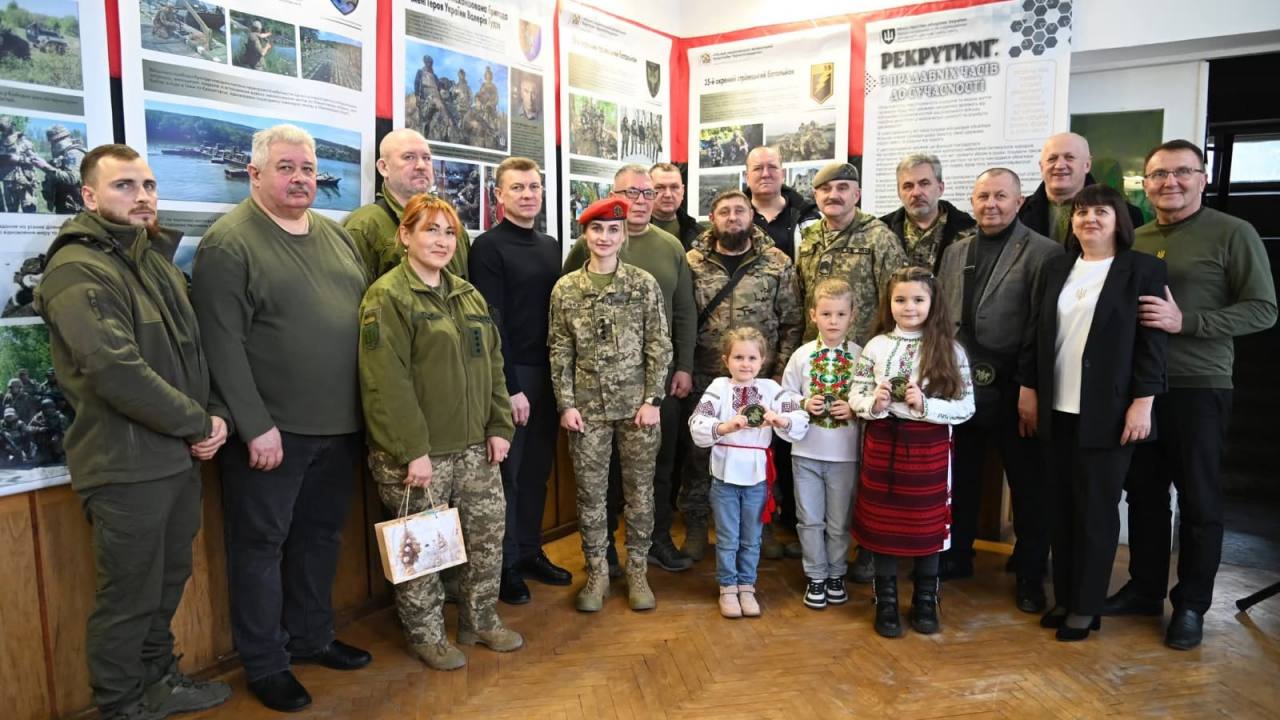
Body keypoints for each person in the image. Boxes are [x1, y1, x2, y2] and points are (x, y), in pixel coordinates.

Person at [32, 143, 231, 720]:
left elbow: (190, 353)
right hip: (124, 466)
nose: (142, 196)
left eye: (147, 185)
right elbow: (116, 372)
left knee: (165, 584)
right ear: (89, 196)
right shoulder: (77, 269)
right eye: (124, 186)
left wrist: (213, 419)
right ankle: (121, 705)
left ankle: (158, 683)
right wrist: (198, 421)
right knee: (127, 598)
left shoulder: (149, 259)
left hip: (174, 458)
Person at [191, 125, 371, 713]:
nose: (300, 179)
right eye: (287, 168)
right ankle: (267, 664)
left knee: (320, 539)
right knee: (260, 548)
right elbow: (221, 345)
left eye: (308, 169)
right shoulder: (229, 243)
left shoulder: (335, 236)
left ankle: (312, 637)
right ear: (255, 174)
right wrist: (253, 424)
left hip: (340, 427)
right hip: (273, 433)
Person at [1104, 140, 1277, 650]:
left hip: (1199, 387)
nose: (1169, 183)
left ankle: (1192, 605)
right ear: (1146, 185)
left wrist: (1188, 322)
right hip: (1141, 391)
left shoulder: (1233, 232)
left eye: (1182, 172)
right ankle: (1144, 589)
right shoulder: (1135, 238)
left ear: (1202, 178)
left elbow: (1264, 309)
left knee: (1200, 501)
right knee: (1145, 497)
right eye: (1157, 175)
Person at [359, 193, 521, 670]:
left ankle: (480, 620)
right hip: (418, 455)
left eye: (449, 232)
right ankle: (426, 635)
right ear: (405, 236)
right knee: (423, 554)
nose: (442, 240)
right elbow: (384, 381)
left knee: (488, 539)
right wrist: (413, 451)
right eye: (430, 229)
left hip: (476, 447)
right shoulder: (388, 296)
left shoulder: (467, 294)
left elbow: (492, 366)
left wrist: (499, 425)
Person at [1017, 184, 1169, 641]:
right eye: (1081, 213)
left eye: (1101, 212)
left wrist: (1143, 403)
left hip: (1109, 413)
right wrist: (1027, 388)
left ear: (1118, 220)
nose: (1089, 220)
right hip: (1056, 407)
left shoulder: (1142, 269)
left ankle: (1086, 606)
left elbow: (1152, 345)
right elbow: (1035, 332)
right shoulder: (1057, 266)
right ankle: (1064, 596)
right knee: (1059, 506)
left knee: (1096, 511)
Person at [936, 168, 1062, 612]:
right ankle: (958, 555)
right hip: (961, 384)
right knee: (963, 476)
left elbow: (1041, 326)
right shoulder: (955, 252)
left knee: (1029, 483)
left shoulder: (1045, 253)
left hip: (1015, 385)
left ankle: (1029, 571)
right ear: (972, 201)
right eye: (983, 196)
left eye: (1001, 196)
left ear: (1019, 200)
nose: (991, 204)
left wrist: (1030, 385)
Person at [563, 165, 697, 576]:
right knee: (603, 477)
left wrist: (684, 366)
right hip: (597, 391)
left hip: (655, 385)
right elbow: (567, 317)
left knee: (657, 469)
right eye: (631, 192)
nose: (640, 200)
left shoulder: (670, 245)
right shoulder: (586, 246)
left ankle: (655, 541)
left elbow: (683, 311)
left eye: (646, 192)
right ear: (615, 196)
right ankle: (605, 554)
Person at [549, 197, 673, 612]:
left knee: (640, 494)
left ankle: (637, 569)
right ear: (585, 235)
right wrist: (565, 404)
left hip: (639, 408)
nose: (605, 237)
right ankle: (598, 571)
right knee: (590, 495)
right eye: (597, 230)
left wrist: (654, 398)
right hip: (587, 409)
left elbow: (659, 344)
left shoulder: (642, 284)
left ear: (623, 236)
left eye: (613, 230)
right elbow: (560, 349)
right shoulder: (566, 289)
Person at [851, 266, 975, 637]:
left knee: (927, 526)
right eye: (900, 300)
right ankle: (885, 600)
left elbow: (966, 406)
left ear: (933, 303)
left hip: (928, 446)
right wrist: (874, 401)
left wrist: (926, 406)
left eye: (918, 299)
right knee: (883, 526)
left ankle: (925, 598)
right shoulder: (876, 346)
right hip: (883, 441)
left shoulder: (950, 349)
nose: (909, 307)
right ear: (889, 304)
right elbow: (855, 395)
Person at [468, 157, 571, 604]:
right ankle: (505, 565)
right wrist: (509, 386)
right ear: (499, 196)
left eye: (534, 187)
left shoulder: (550, 246)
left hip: (551, 372)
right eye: (518, 188)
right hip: (516, 372)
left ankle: (530, 550)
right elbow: (493, 322)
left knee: (537, 472)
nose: (528, 194)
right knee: (508, 475)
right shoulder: (488, 248)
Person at [681, 189, 803, 562]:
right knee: (700, 456)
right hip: (706, 375)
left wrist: (779, 376)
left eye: (740, 211)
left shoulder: (776, 262)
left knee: (757, 453)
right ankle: (698, 528)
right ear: (712, 218)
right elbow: (681, 320)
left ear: (752, 216)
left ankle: (762, 527)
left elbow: (792, 322)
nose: (733, 217)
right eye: (724, 212)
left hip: (760, 380)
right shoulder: (692, 262)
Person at [690, 327, 809, 618]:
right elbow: (697, 423)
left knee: (752, 537)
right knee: (728, 536)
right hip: (725, 476)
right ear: (726, 359)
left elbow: (799, 416)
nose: (745, 363)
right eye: (738, 357)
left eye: (752, 357)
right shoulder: (718, 387)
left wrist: (779, 419)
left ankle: (747, 585)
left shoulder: (771, 389)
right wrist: (726, 426)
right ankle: (727, 588)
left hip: (756, 477)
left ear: (762, 360)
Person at [781, 279, 862, 610]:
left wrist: (854, 408)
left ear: (852, 316)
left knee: (838, 520)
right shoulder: (801, 356)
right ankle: (815, 574)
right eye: (826, 313)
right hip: (806, 453)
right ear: (813, 315)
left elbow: (871, 398)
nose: (833, 321)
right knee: (809, 518)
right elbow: (783, 396)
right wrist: (802, 403)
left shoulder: (861, 357)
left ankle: (836, 573)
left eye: (840, 314)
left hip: (844, 455)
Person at [796, 162, 908, 346]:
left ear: (856, 195)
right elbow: (801, 299)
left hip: (863, 353)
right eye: (825, 189)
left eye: (842, 188)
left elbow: (895, 302)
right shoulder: (809, 238)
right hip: (815, 352)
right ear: (816, 196)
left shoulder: (879, 238)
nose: (833, 195)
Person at [343, 128, 470, 281]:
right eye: (409, 157)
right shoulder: (364, 226)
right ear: (384, 168)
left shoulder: (451, 223)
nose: (421, 165)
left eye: (427, 158)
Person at [1019, 132, 1143, 247]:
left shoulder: (1124, 214)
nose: (1060, 165)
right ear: (1041, 167)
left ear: (1087, 165)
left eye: (1069, 157)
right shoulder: (1018, 211)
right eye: (1052, 159)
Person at [878, 153, 975, 271]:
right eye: (908, 186)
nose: (916, 193)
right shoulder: (880, 232)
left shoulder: (969, 232)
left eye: (924, 183)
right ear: (899, 192)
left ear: (940, 188)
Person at [743, 146, 820, 258]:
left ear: (783, 174)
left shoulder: (809, 217)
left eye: (772, 167)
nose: (765, 174)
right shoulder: (733, 218)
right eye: (758, 168)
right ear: (747, 177)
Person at [649, 162, 703, 250]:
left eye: (674, 187)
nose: (668, 194)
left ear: (682, 191)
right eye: (660, 187)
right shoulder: (629, 232)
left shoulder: (699, 234)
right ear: (648, 191)